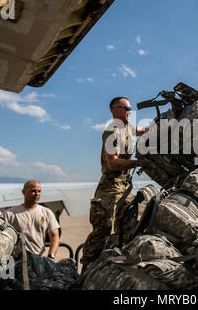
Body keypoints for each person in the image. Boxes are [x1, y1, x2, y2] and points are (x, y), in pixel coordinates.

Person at [80, 96, 148, 272]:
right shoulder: (113, 131)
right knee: (102, 229)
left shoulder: (127, 128)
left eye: (130, 109)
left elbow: (143, 130)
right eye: (127, 108)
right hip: (110, 187)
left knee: (127, 227)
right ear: (115, 110)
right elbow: (113, 163)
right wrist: (139, 163)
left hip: (125, 186)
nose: (130, 112)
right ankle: (85, 272)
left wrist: (164, 126)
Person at [3, 180, 60, 260]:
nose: (37, 194)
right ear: (24, 192)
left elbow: (54, 236)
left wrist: (51, 256)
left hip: (38, 260)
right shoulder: (10, 214)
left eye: (39, 191)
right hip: (16, 261)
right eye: (33, 191)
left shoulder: (46, 213)